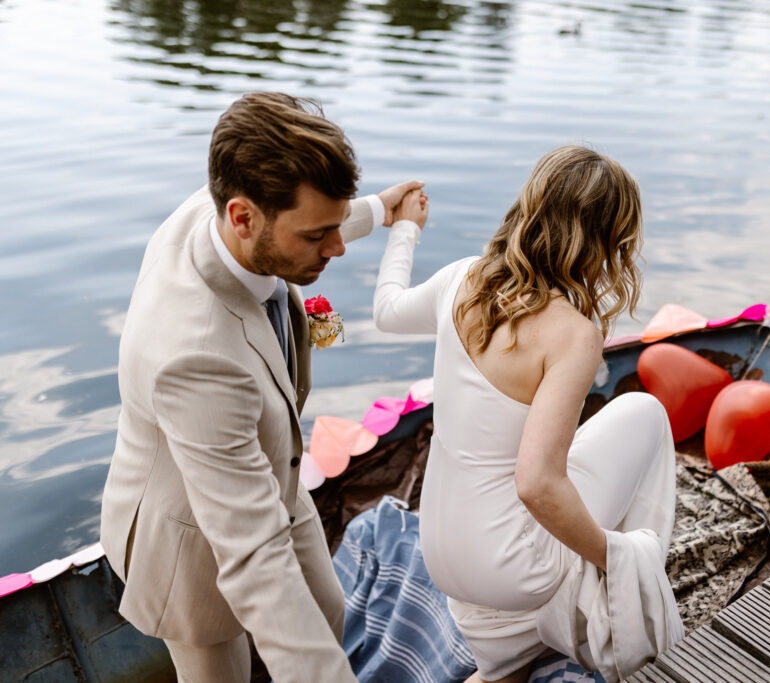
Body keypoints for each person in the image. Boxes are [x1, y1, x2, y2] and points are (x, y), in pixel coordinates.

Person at [99, 91, 424, 682]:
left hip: (272, 469)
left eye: (336, 225)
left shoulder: (226, 201)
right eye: (317, 236)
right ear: (243, 217)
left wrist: (381, 209)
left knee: (327, 611)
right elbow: (254, 556)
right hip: (188, 540)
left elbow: (307, 215)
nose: (337, 248)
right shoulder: (194, 355)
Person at [374, 145, 683, 683]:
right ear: (607, 240)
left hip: (442, 551)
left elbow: (386, 312)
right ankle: (625, 592)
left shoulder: (460, 280)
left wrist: (405, 229)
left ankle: (512, 654)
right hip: (509, 567)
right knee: (645, 413)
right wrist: (615, 557)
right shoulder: (573, 334)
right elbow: (537, 484)